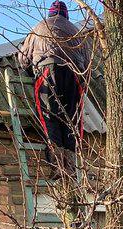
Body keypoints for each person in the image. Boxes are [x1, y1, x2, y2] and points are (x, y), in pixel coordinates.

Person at [16, 0, 90, 176]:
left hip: (48, 71)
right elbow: (87, 65)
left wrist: (30, 73)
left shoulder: (38, 28)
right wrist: (81, 88)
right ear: (66, 16)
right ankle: (71, 166)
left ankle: (58, 166)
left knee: (50, 116)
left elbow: (22, 59)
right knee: (71, 120)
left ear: (50, 14)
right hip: (74, 75)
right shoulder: (78, 32)